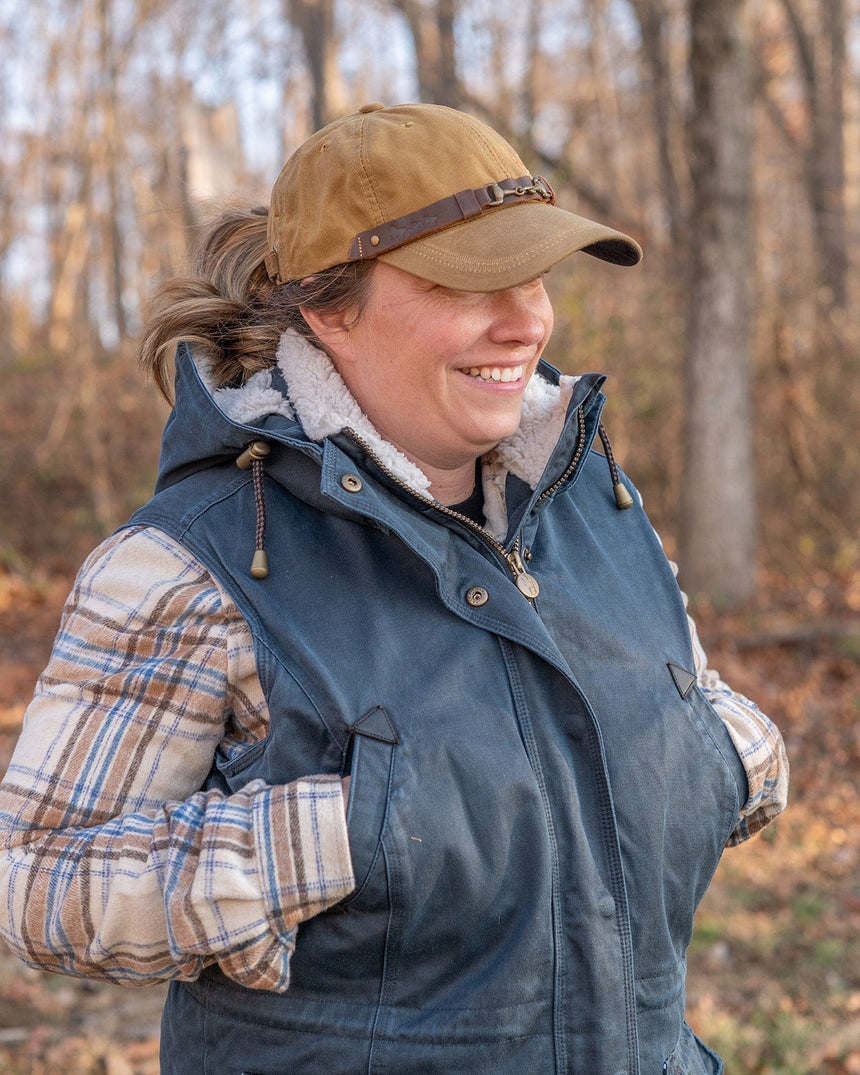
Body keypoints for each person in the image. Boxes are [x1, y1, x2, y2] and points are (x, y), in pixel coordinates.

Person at [0, 102, 787, 1074]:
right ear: (331, 310)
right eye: (471, 282)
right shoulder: (189, 562)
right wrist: (345, 834)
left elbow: (694, 710)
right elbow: (37, 884)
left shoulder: (596, 499)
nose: (524, 318)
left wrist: (723, 753)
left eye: (533, 274)